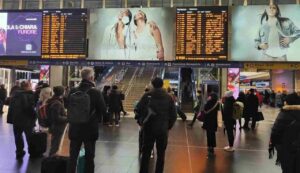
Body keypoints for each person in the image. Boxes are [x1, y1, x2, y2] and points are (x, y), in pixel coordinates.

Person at [67, 67, 106, 173]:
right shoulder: (96, 92)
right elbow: (103, 109)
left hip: (75, 128)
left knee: (73, 156)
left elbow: (67, 106)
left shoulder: (73, 91)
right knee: (89, 156)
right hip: (90, 129)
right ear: (91, 77)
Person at [135, 77, 176, 173]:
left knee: (146, 153)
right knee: (161, 154)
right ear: (162, 85)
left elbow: (138, 109)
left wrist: (141, 122)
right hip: (162, 129)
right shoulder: (168, 97)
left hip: (149, 128)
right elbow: (173, 115)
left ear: (152, 85)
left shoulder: (147, 95)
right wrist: (168, 126)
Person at [270, 92, 300, 173]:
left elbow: (275, 131)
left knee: (287, 169)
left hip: (286, 148)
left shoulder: (284, 114)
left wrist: (274, 144)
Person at [7, 81, 36, 159]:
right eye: (30, 85)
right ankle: (32, 152)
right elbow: (29, 108)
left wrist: (10, 119)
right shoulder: (29, 95)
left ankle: (19, 152)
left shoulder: (14, 95)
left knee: (18, 136)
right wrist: (35, 116)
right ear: (27, 87)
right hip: (27, 120)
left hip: (16, 120)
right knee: (29, 137)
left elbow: (11, 108)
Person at [47, 86, 67, 156]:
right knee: (55, 145)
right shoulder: (57, 103)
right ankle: (51, 161)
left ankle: (51, 159)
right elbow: (56, 117)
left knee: (54, 144)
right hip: (57, 127)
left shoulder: (54, 100)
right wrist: (67, 118)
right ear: (61, 92)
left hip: (54, 126)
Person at [203, 93, 219, 157]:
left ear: (211, 97)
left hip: (208, 121)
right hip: (214, 121)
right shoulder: (218, 103)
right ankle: (212, 147)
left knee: (208, 134)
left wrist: (207, 101)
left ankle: (209, 146)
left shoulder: (208, 103)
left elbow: (205, 109)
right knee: (213, 134)